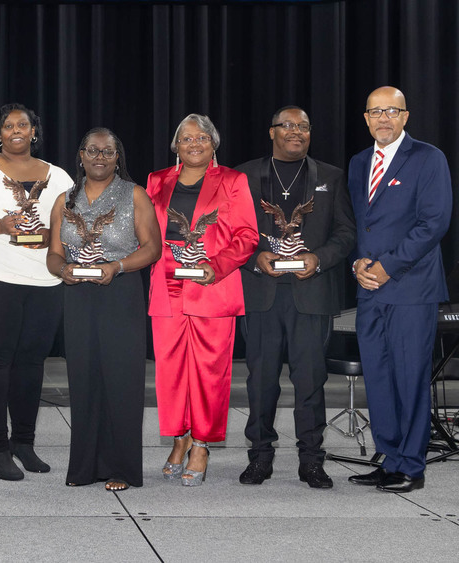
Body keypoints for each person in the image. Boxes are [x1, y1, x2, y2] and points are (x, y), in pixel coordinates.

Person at [235, 106, 355, 489]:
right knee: (261, 381)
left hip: (311, 294)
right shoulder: (245, 175)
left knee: (310, 381)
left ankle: (312, 461)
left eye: (303, 126)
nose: (296, 132)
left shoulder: (331, 177)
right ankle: (260, 458)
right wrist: (255, 259)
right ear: (271, 132)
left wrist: (318, 259)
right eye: (287, 125)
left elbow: (346, 234)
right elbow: (231, 230)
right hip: (262, 294)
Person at [346, 87, 451, 493]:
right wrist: (358, 263)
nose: (383, 118)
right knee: (379, 379)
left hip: (410, 288)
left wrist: (387, 267)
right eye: (375, 112)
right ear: (367, 118)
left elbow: (434, 222)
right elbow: (361, 225)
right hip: (368, 289)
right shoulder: (358, 163)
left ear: (405, 116)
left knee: (410, 378)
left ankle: (411, 465)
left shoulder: (428, 158)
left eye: (391, 111)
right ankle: (389, 458)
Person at [0, 103, 72, 480]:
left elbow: (72, 222)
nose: (16, 130)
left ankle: (24, 443)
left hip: (45, 282)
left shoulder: (57, 176)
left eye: (23, 125)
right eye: (8, 125)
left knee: (31, 364)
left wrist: (52, 237)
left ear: (34, 132)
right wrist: (0, 224)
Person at [45, 128, 161, 491]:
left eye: (107, 152)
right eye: (92, 150)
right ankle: (83, 467)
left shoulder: (134, 194)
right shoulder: (65, 199)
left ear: (117, 157)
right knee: (84, 380)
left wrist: (118, 267)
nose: (99, 157)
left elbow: (152, 247)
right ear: (80, 155)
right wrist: (61, 270)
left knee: (121, 382)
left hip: (120, 292)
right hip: (78, 295)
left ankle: (122, 469)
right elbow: (53, 252)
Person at [147, 114, 257, 486]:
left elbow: (246, 235)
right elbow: (145, 232)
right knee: (171, 373)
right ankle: (179, 439)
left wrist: (217, 265)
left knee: (210, 372)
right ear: (175, 145)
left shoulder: (232, 180)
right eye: (186, 138)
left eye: (202, 138)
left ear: (214, 144)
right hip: (166, 289)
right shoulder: (156, 181)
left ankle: (202, 445)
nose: (194, 144)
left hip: (212, 287)